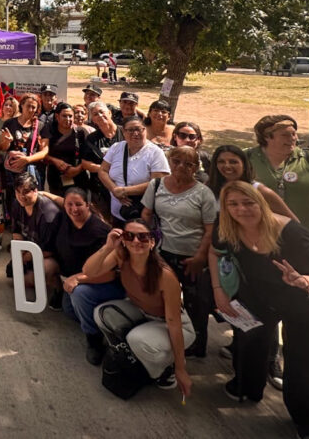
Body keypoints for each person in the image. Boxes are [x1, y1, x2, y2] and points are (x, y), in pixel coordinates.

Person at [211, 181, 309, 438]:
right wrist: (218, 289)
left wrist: (304, 281)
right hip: (266, 296)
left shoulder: (292, 234)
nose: (241, 209)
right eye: (233, 204)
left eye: (248, 202)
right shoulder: (226, 226)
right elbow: (214, 251)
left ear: (261, 203)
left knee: (302, 364)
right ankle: (248, 387)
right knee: (249, 335)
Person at [84, 220, 194, 395]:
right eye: (129, 236)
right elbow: (89, 271)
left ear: (152, 242)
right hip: (143, 314)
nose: (136, 241)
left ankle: (163, 369)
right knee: (102, 313)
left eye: (143, 237)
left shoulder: (164, 275)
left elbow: (174, 323)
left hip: (172, 324)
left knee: (137, 339)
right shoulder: (120, 256)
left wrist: (181, 368)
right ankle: (136, 356)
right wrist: (107, 247)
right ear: (124, 240)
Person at [141, 146, 217, 358]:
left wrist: (200, 257)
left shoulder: (204, 194)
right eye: (176, 161)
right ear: (169, 161)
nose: (181, 166)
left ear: (196, 168)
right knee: (163, 296)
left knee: (196, 303)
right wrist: (147, 245)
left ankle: (196, 345)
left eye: (189, 164)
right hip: (162, 252)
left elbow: (211, 229)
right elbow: (146, 214)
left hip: (192, 256)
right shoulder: (156, 185)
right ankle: (167, 337)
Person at [245, 115, 309, 255]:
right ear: (267, 137)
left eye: (294, 134)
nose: (292, 138)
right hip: (259, 240)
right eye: (285, 135)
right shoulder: (246, 159)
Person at [48, 187, 123, 365]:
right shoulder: (65, 217)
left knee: (79, 295)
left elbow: (109, 274)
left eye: (79, 205)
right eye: (70, 204)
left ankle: (94, 340)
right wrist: (44, 193)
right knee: (69, 310)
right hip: (72, 278)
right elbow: (59, 200)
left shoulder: (100, 231)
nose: (74, 209)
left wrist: (78, 278)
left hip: (100, 280)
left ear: (88, 205)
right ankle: (97, 320)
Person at [97, 117, 170, 226]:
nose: (135, 133)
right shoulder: (116, 147)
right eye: (130, 130)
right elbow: (102, 170)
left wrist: (125, 191)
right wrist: (114, 189)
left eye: (139, 129)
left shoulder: (155, 153)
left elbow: (158, 182)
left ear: (145, 130)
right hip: (117, 211)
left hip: (141, 213)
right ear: (123, 132)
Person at [207, 144, 295, 220]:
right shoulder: (208, 189)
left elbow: (292, 222)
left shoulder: (259, 190)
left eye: (233, 162)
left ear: (244, 165)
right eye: (221, 162)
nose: (227, 166)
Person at [9, 172, 62, 293]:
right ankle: (32, 274)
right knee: (14, 251)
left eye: (26, 192)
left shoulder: (48, 214)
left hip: (50, 255)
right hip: (31, 248)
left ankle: (58, 289)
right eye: (18, 192)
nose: (21, 196)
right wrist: (20, 254)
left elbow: (49, 250)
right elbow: (16, 233)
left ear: (35, 191)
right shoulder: (17, 204)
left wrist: (24, 258)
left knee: (46, 268)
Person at [0, 94, 48, 213]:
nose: (31, 110)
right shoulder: (9, 123)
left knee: (32, 197)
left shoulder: (40, 126)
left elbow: (45, 151)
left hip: (33, 170)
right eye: (28, 106)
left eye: (34, 107)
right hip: (13, 170)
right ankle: (15, 224)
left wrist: (27, 160)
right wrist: (7, 141)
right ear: (21, 105)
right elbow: (2, 147)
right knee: (14, 197)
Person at [80, 101, 124, 221]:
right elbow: (85, 163)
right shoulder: (92, 139)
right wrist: (104, 170)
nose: (99, 116)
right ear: (93, 120)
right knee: (105, 220)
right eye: (95, 114)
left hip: (125, 187)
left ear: (109, 113)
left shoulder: (126, 132)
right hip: (100, 189)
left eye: (101, 112)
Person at [41, 102, 90, 194]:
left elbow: (88, 156)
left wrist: (77, 169)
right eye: (64, 116)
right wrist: (55, 161)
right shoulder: (49, 130)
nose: (68, 119)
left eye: (70, 116)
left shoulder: (81, 132)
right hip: (56, 178)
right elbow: (43, 153)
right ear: (57, 116)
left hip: (79, 177)